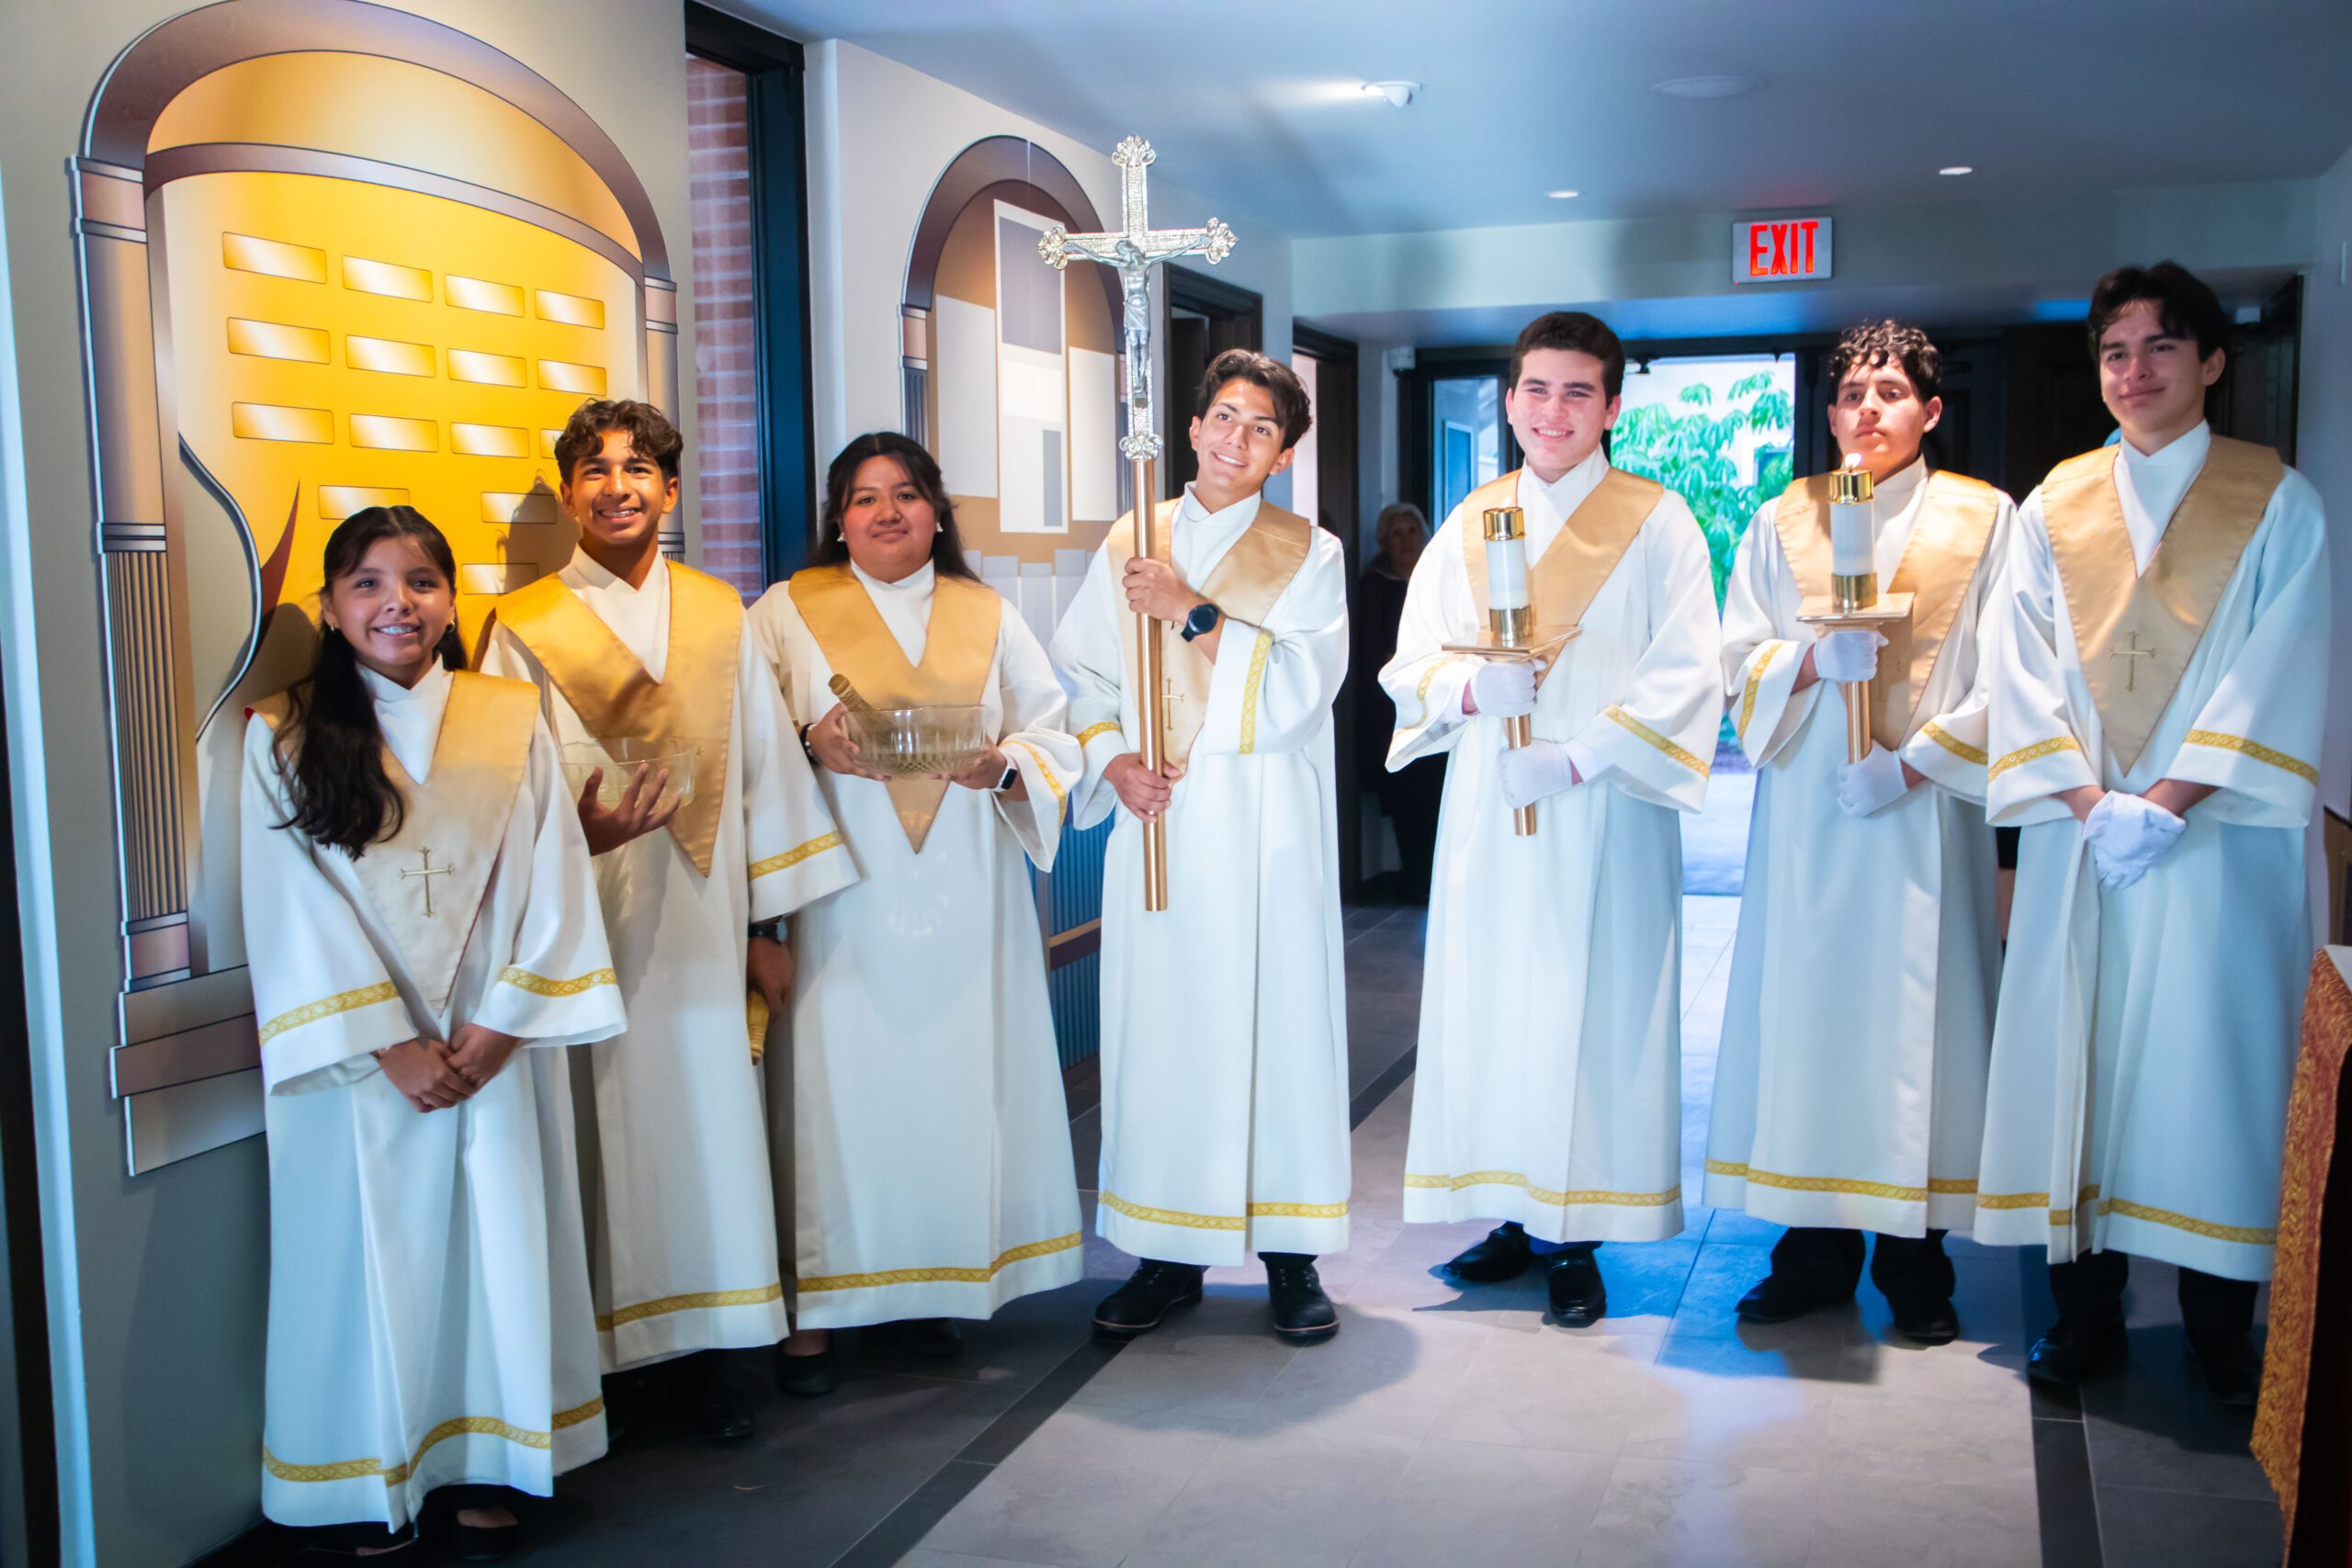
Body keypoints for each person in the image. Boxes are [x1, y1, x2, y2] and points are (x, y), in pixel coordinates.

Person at [1975, 263, 2330, 1405]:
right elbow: (2016, 661)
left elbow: (2280, 666)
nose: (2134, 372)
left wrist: (2166, 802)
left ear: (2212, 361)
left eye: (2162, 347)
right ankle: (2084, 1317)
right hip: (2084, 839)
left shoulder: (2277, 501)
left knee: (2212, 1064)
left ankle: (2220, 1328)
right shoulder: (2055, 503)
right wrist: (2090, 806)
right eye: (2115, 352)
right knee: (2077, 1061)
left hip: (2217, 840)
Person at [243, 507, 621, 1558]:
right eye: (366, 583)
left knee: (495, 1251)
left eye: (419, 582)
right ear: (330, 608)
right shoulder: (282, 735)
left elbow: (554, 876)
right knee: (368, 1263)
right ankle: (373, 1477)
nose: (395, 605)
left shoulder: (509, 719)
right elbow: (290, 909)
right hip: (366, 1069)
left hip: (491, 1048)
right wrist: (391, 1044)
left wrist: (501, 1026)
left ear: (453, 603)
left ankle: (486, 1466)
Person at [481, 400, 854, 1439]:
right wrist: (569, 842)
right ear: (569, 496)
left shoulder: (719, 613)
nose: (618, 487)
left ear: (671, 489)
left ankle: (712, 1354)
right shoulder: (522, 627)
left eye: (638, 468)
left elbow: (767, 771)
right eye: (595, 471)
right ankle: (608, 1363)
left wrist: (766, 925)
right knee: (601, 1129)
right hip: (582, 917)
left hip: (704, 921)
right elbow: (501, 783)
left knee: (705, 1124)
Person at [1380, 310, 1720, 1325]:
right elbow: (1412, 661)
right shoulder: (1471, 521)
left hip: (1604, 806)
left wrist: (1576, 755)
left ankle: (1578, 1234)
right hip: (1491, 809)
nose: (1553, 411)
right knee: (1501, 1007)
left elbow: (1686, 669)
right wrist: (1471, 692)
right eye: (1536, 389)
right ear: (1509, 400)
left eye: (1578, 391)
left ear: (1612, 407)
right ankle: (1516, 1212)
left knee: (1593, 1004)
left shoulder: (1658, 522)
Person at [749, 434, 1083, 1395]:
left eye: (905, 494)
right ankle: (816, 1312)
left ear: (937, 511)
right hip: (837, 900)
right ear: (837, 518)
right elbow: (743, 744)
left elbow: (1051, 729)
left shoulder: (987, 613)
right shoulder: (784, 613)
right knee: (834, 1094)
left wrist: (1003, 763)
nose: (886, 513)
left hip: (966, 893)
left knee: (948, 1085)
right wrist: (805, 738)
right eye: (863, 497)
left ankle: (930, 1285)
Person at [1705, 321, 2014, 1343]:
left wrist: (1915, 762)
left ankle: (1917, 1265)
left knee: (1917, 1028)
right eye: (1849, 394)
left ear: (1931, 409)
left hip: (1924, 814)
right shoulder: (1782, 519)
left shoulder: (1986, 519)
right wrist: (1806, 662)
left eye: (1888, 392)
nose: (1866, 410)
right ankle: (1811, 1254)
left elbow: (2015, 668)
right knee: (1812, 1023)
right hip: (1811, 817)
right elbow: (1736, 655)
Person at [1052, 348, 1352, 1344]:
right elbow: (1085, 677)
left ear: (1283, 454)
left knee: (1277, 1028)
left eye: (1262, 428)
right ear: (1190, 428)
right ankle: (1166, 1252)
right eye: (1224, 416)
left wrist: (1187, 609)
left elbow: (1302, 691)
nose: (1237, 438)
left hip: (1265, 824)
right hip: (1161, 823)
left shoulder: (1309, 553)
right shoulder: (1130, 539)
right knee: (1165, 1031)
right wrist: (1113, 761)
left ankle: (1290, 1256)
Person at [1354, 502, 1445, 901]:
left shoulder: (1438, 578)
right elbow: (1372, 652)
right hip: (1393, 711)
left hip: (1439, 702)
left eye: (1412, 531)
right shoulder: (1376, 585)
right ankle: (1416, 882)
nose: (1406, 540)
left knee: (1439, 794)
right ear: (1384, 542)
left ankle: (1440, 884)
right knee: (1406, 796)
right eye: (1397, 533)